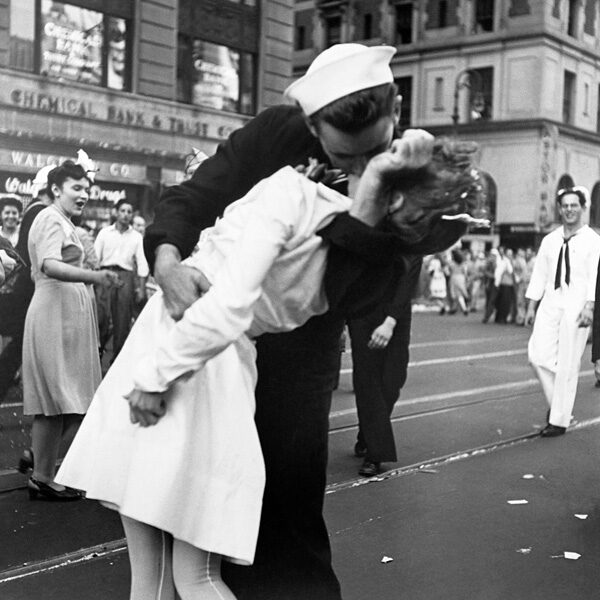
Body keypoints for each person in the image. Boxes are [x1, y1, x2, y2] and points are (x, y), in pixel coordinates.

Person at [56, 133, 480, 599]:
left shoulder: (298, 199)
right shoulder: (353, 252)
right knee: (184, 576)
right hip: (219, 372)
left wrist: (156, 375)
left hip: (185, 354)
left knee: (170, 578)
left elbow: (228, 299)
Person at [136, 42, 476, 599]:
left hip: (303, 348)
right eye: (346, 157)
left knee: (286, 510)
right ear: (313, 125)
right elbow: (195, 195)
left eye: (375, 149)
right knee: (193, 509)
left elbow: (377, 281)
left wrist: (382, 196)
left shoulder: (410, 168)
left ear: (395, 108)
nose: (362, 167)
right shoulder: (276, 135)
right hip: (221, 342)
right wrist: (167, 258)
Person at [21, 160, 120, 499]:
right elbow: (49, 264)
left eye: (86, 190)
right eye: (76, 188)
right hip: (54, 313)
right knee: (59, 398)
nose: (83, 195)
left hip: (65, 315)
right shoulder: (49, 217)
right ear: (55, 190)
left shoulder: (62, 220)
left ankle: (41, 464)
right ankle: (43, 475)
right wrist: (95, 276)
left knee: (71, 399)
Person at [525, 186, 600, 437]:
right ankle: (559, 406)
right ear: (560, 209)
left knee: (568, 363)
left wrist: (590, 305)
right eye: (565, 206)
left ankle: (558, 420)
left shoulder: (593, 240)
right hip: (551, 301)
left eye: (574, 205)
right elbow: (540, 274)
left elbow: (594, 277)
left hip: (577, 305)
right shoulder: (550, 239)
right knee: (537, 355)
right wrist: (531, 305)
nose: (569, 209)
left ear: (582, 208)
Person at [348, 255, 421, 476]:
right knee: (367, 379)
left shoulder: (411, 230)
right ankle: (375, 453)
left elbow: (409, 277)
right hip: (362, 312)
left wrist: (390, 321)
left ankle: (367, 433)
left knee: (393, 379)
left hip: (397, 314)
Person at [0, 168, 54, 405]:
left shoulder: (35, 210)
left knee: (20, 346)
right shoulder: (39, 211)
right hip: (28, 291)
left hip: (25, 289)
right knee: (19, 346)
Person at [94, 199, 149, 361]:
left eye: (129, 212)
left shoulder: (137, 237)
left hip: (126, 277)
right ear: (116, 212)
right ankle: (96, 358)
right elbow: (95, 258)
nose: (125, 215)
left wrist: (141, 288)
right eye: (122, 211)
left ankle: (116, 363)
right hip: (105, 274)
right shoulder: (105, 233)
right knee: (101, 318)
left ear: (132, 215)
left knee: (122, 321)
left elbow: (142, 263)